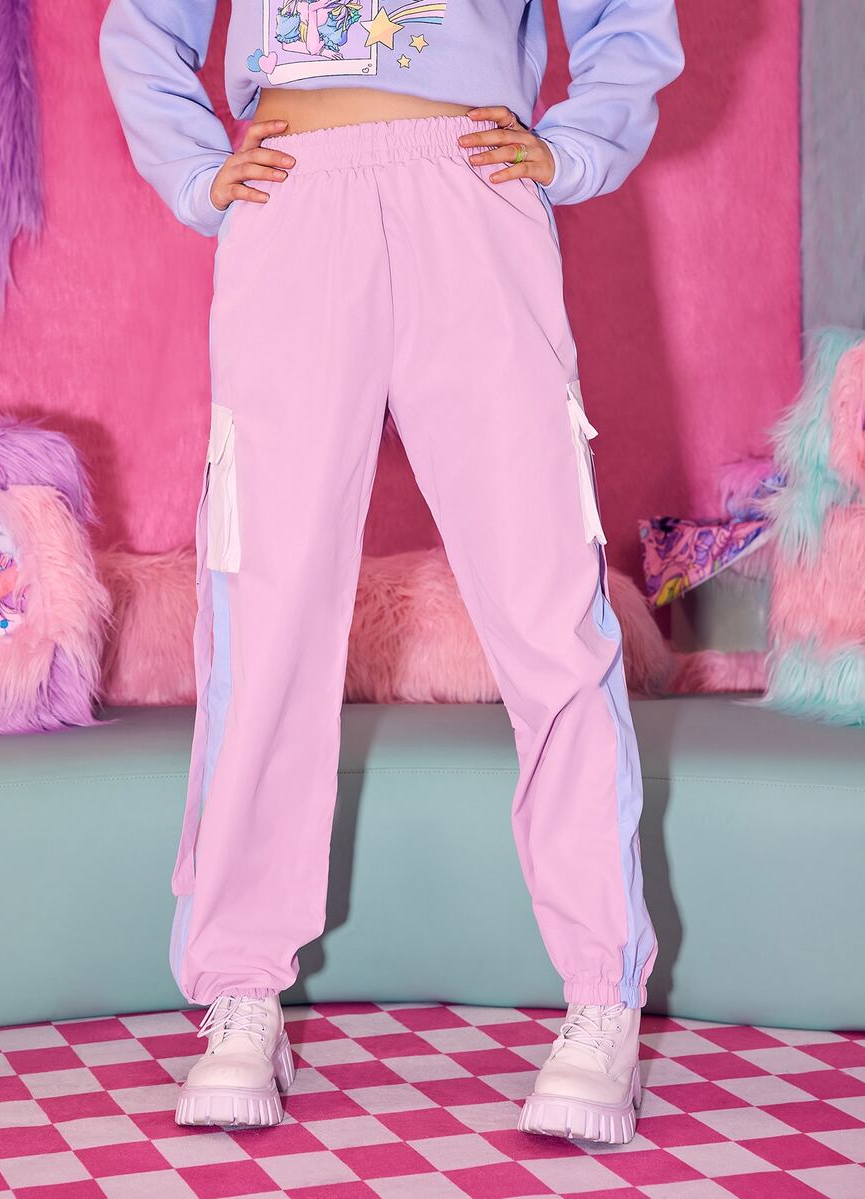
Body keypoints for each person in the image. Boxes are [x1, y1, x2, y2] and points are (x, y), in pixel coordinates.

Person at [100, 0, 684, 1143]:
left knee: (550, 614)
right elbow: (140, 28)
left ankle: (602, 995)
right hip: (292, 196)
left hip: (471, 192)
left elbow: (630, 21)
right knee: (264, 614)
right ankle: (241, 987)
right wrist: (199, 172)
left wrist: (571, 149)